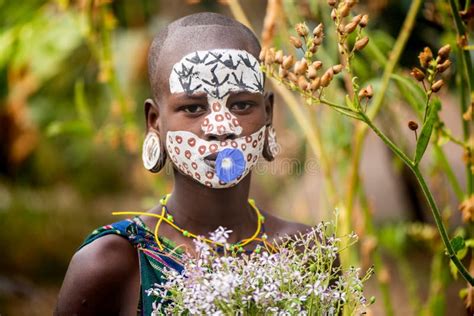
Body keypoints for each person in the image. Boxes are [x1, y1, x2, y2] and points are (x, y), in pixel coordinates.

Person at [55, 12, 309, 315]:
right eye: (192, 108)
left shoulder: (306, 252)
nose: (220, 126)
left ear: (267, 112)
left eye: (241, 105)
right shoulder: (112, 262)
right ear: (155, 122)